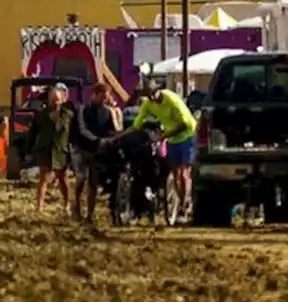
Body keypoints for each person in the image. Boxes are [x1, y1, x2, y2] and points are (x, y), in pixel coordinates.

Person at [132, 78, 198, 220]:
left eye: (152, 94)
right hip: (172, 138)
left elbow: (184, 124)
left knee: (183, 173)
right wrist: (120, 135)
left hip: (187, 134)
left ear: (158, 90)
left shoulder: (171, 99)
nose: (151, 98)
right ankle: (179, 202)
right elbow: (137, 123)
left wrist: (162, 136)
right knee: (174, 172)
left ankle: (185, 204)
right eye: (147, 95)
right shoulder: (148, 104)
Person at [71, 83, 117, 223]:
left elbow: (110, 130)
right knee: (81, 178)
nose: (104, 100)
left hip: (97, 151)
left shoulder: (107, 112)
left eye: (106, 97)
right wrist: (98, 140)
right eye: (102, 97)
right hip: (81, 148)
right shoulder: (83, 110)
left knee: (93, 183)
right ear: (95, 94)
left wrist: (114, 138)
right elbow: (82, 129)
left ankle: (90, 214)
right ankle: (77, 205)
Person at [30, 84, 74, 214]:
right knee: (43, 178)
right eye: (53, 100)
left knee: (63, 178)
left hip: (61, 151)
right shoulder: (41, 115)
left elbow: (74, 134)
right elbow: (33, 132)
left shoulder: (69, 116)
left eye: (58, 100)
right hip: (45, 149)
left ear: (63, 100)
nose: (55, 103)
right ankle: (39, 206)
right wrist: (30, 148)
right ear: (49, 101)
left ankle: (67, 205)